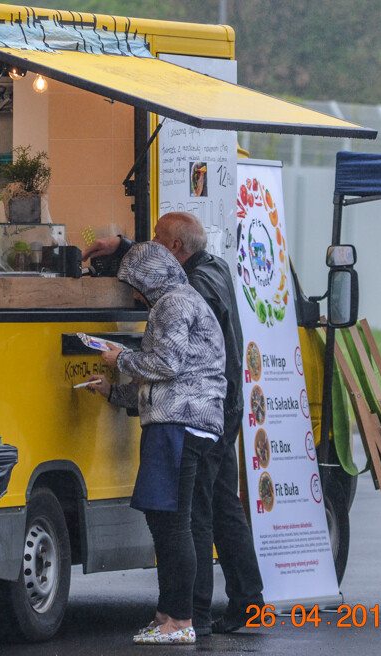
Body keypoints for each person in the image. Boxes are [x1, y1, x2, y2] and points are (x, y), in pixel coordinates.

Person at [83, 212, 265, 634]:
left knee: (190, 518)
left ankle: (190, 615)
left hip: (191, 415)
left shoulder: (182, 295)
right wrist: (126, 248)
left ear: (175, 251)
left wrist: (121, 359)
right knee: (219, 506)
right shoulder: (212, 268)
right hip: (217, 408)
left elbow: (168, 364)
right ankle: (245, 601)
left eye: (157, 241)